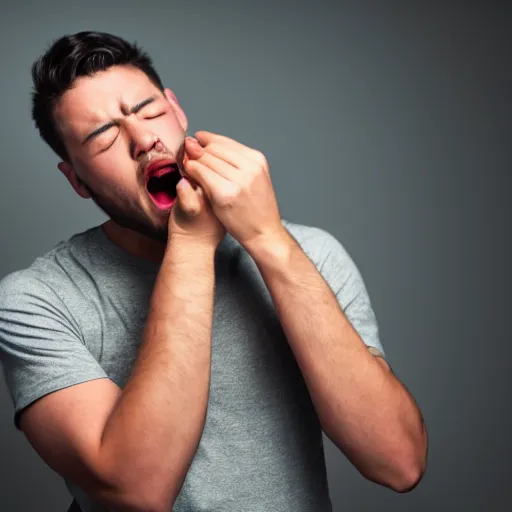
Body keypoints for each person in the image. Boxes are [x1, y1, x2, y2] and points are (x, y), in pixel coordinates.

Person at [0, 31, 428, 512]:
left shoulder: (309, 253)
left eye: (148, 111)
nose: (144, 140)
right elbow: (137, 491)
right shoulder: (37, 300)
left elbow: (398, 461)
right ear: (76, 179)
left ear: (177, 111)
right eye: (103, 136)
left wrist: (268, 239)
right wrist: (191, 243)